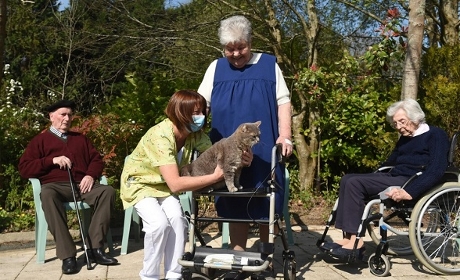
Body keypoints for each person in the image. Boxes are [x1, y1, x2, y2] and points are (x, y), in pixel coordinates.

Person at [120, 90, 252, 280]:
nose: (200, 117)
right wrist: (215, 177)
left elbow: (219, 153)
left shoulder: (195, 134)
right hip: (141, 183)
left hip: (164, 186)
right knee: (158, 225)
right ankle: (150, 276)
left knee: (178, 221)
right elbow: (175, 184)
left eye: (202, 113)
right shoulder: (160, 136)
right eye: (195, 113)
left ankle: (174, 274)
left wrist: (243, 157)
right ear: (180, 112)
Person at [197, 14, 293, 277]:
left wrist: (285, 135)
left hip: (261, 148)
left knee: (266, 200)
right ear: (223, 48)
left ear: (250, 42)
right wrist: (192, 127)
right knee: (231, 200)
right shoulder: (215, 68)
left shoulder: (269, 65)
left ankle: (265, 259)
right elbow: (201, 104)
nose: (236, 53)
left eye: (241, 47)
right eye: (230, 48)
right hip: (224, 148)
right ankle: (238, 259)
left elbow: (283, 102)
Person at [319, 98, 450, 260]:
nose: (399, 127)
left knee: (354, 183)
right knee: (348, 179)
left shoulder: (436, 135)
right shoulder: (405, 139)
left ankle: (357, 245)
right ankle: (348, 238)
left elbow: (436, 170)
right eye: (395, 124)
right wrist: (373, 177)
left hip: (410, 181)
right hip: (395, 176)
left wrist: (409, 192)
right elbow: (389, 163)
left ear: (415, 117)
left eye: (402, 122)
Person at [18, 100, 118, 274]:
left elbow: (96, 160)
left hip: (82, 185)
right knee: (47, 194)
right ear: (51, 117)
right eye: (62, 114)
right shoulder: (40, 141)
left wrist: (90, 175)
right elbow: (25, 168)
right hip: (55, 186)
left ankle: (95, 248)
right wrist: (51, 160)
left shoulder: (80, 139)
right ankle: (68, 256)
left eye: (69, 115)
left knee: (107, 191)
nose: (67, 118)